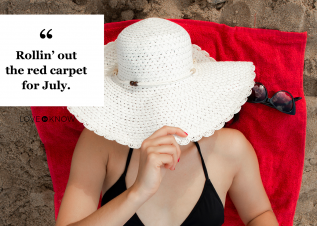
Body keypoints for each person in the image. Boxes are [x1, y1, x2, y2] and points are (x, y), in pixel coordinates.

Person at [55, 17, 279, 226]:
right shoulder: (99, 143)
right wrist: (138, 192)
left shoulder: (231, 148)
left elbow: (259, 214)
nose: (160, 111)